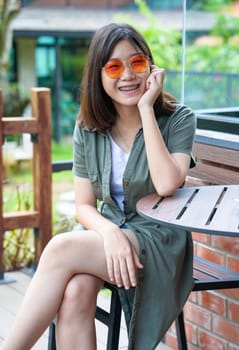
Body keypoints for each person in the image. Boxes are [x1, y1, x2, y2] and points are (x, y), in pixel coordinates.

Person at [2, 22, 196, 350]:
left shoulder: (178, 119)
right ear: (99, 74)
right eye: (114, 66)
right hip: (111, 236)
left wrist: (146, 108)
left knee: (61, 248)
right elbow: (84, 205)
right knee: (76, 290)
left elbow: (165, 184)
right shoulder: (88, 128)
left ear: (151, 67)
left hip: (161, 239)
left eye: (137, 63)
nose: (128, 76)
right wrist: (110, 234)